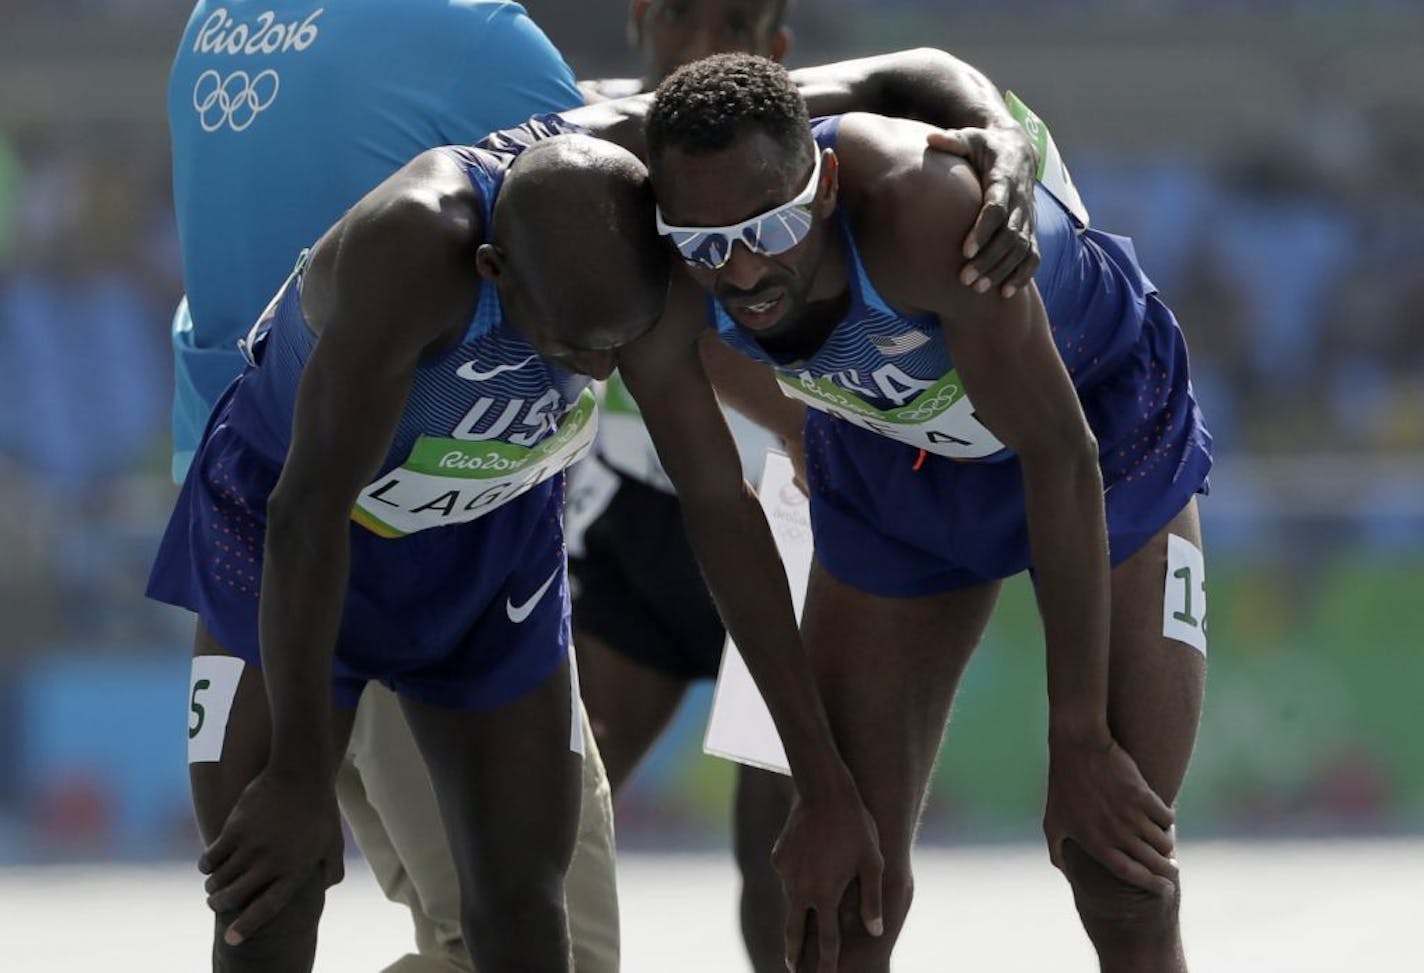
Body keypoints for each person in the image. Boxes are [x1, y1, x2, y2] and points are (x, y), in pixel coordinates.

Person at [630, 53, 1214, 971]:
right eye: (705, 244)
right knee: (836, 899)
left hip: (1095, 428)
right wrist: (821, 782)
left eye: (770, 227)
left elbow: (1060, 457)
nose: (741, 273)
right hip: (887, 452)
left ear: (825, 186)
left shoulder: (920, 205)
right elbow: (721, 512)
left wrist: (1077, 734)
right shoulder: (648, 244)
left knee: (1119, 871)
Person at [165, 3, 622, 969]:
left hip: (260, 521)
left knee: (270, 902)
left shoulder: (221, 22)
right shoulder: (475, 37)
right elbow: (600, 219)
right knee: (533, 936)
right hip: (399, 525)